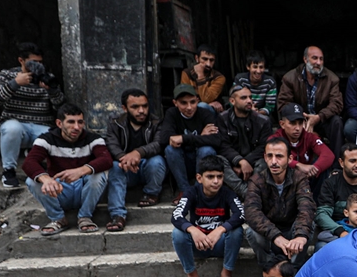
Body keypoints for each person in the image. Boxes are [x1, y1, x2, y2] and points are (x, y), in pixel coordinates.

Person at [22, 103, 112, 235]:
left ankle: (85, 217)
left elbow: (106, 160)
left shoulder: (93, 139)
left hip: (84, 190)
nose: (76, 127)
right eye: (71, 122)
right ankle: (58, 219)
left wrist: (80, 171)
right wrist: (46, 179)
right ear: (59, 123)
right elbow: (29, 162)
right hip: (59, 190)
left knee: (98, 175)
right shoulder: (46, 139)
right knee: (32, 181)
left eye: (80, 122)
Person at [0, 41, 66, 188]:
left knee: (56, 135)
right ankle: (9, 171)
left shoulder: (47, 76)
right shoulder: (7, 75)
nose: (37, 66)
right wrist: (15, 83)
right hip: (16, 124)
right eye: (33, 62)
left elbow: (60, 106)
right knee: (12, 129)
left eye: (40, 62)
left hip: (41, 125)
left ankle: (37, 159)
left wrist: (51, 90)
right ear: (21, 60)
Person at [171, 154, 246, 277]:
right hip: (198, 245)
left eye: (219, 177)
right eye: (210, 177)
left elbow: (241, 214)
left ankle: (226, 273)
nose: (216, 181)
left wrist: (220, 230)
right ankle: (192, 276)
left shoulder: (228, 193)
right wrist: (193, 230)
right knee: (177, 233)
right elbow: (176, 216)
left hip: (220, 244)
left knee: (236, 230)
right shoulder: (191, 193)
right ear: (199, 178)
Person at [244, 136, 315, 270]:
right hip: (269, 235)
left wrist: (300, 236)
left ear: (290, 159)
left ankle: (293, 270)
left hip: (292, 232)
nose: (274, 161)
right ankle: (269, 270)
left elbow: (306, 207)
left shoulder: (299, 178)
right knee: (251, 232)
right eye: (270, 156)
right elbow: (251, 211)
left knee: (308, 226)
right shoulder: (257, 180)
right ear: (265, 158)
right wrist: (276, 236)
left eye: (279, 156)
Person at [104, 88, 166, 232]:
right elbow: (111, 144)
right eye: (135, 107)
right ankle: (118, 215)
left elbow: (159, 144)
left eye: (145, 106)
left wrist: (138, 153)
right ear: (124, 108)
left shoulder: (156, 122)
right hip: (126, 168)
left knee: (157, 161)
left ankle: (151, 193)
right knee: (115, 167)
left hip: (147, 168)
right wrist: (124, 159)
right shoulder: (115, 123)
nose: (141, 111)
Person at [158, 84, 221, 197]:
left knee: (206, 150)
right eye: (183, 103)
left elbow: (216, 140)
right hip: (182, 161)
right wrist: (201, 136)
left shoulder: (204, 113)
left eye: (192, 102)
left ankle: (198, 190)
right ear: (175, 103)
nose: (189, 107)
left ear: (197, 100)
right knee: (170, 149)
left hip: (201, 160)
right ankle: (185, 191)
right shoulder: (172, 113)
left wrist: (183, 138)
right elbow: (164, 139)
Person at [277, 45, 344, 149]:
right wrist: (300, 118)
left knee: (336, 122)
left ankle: (337, 159)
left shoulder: (332, 79)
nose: (318, 62)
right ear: (305, 59)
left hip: (321, 119)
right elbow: (284, 104)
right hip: (298, 119)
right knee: (288, 122)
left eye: (321, 59)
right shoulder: (290, 78)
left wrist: (319, 117)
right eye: (314, 58)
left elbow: (337, 104)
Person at [316, 144, 357, 246]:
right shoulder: (330, 184)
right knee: (321, 246)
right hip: (336, 233)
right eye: (352, 161)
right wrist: (341, 232)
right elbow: (322, 214)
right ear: (341, 162)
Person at [218, 84, 273, 198]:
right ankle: (247, 193)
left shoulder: (263, 120)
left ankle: (251, 191)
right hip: (233, 162)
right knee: (218, 160)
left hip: (254, 161)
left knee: (265, 162)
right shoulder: (223, 118)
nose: (249, 101)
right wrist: (239, 161)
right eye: (244, 98)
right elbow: (223, 145)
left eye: (250, 97)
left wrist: (246, 162)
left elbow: (264, 147)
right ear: (232, 101)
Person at [272, 103, 334, 197]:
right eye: (293, 123)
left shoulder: (308, 136)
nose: (297, 128)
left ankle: (317, 202)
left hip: (307, 178)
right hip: (286, 181)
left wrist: (315, 169)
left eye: (300, 123)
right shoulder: (275, 139)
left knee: (324, 168)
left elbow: (328, 155)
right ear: (282, 124)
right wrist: (298, 165)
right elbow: (272, 158)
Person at [180, 44, 227, 113]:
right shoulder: (187, 73)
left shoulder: (219, 77)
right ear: (197, 58)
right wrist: (208, 103)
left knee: (202, 106)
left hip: (211, 112)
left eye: (211, 60)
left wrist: (200, 76)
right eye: (204, 59)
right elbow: (184, 97)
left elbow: (206, 99)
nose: (208, 64)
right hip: (190, 109)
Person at [231, 50, 277, 120]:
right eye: (255, 67)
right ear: (248, 67)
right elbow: (234, 101)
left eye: (261, 67)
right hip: (241, 111)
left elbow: (270, 107)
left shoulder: (270, 82)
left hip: (261, 115)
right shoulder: (240, 79)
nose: (258, 71)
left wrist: (257, 112)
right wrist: (248, 110)